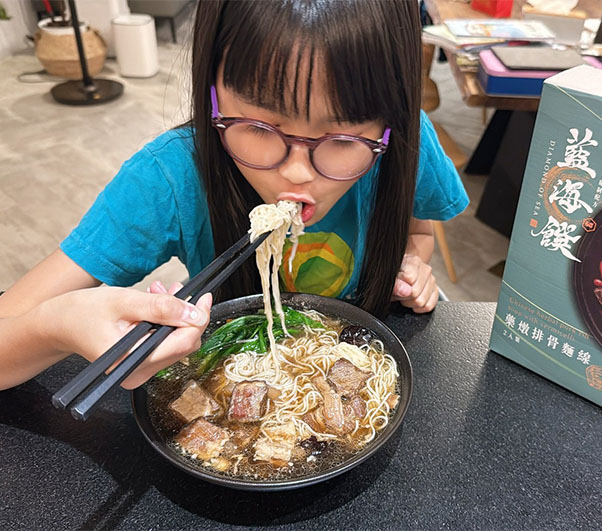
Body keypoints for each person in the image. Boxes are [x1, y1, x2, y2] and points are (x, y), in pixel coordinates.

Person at [0, 0, 468, 391]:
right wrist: (56, 326)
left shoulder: (404, 143)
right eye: (260, 128)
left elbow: (418, 225)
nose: (297, 172)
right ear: (212, 96)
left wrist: (411, 260)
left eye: (343, 140)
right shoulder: (169, 176)